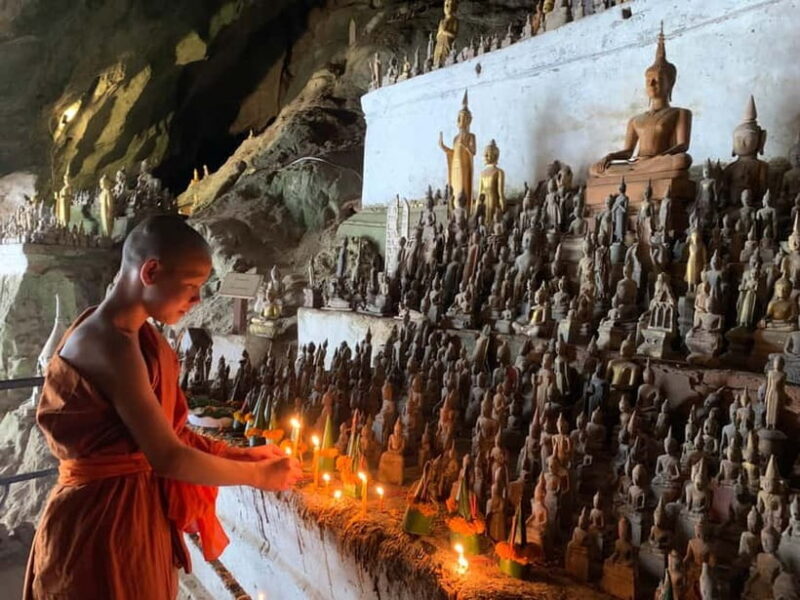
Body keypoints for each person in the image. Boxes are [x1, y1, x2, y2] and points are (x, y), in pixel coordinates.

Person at [24, 215, 302, 599]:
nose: (197, 300)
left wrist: (244, 457)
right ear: (151, 271)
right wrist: (259, 477)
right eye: (191, 286)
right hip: (102, 524)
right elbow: (169, 456)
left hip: (132, 513)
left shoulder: (135, 336)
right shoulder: (111, 344)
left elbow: (168, 430)